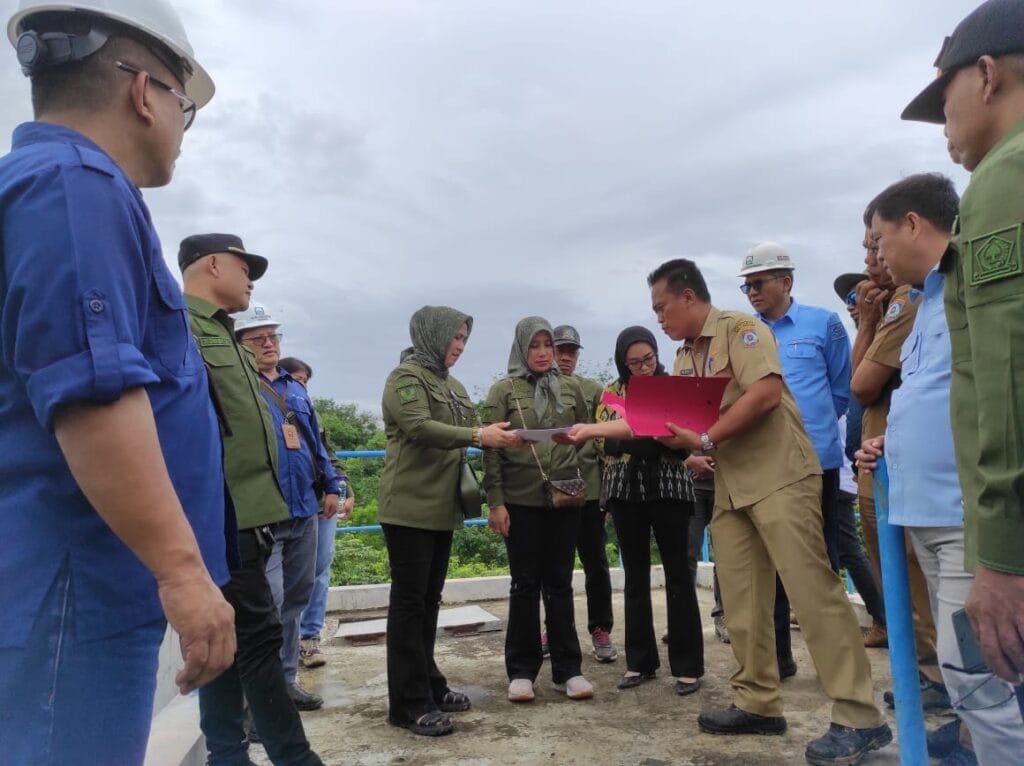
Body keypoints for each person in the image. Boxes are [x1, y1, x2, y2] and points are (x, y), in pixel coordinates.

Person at [0, 3, 234, 762]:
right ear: (143, 92)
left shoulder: (39, 184)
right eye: (183, 106)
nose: (181, 128)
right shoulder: (77, 188)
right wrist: (184, 573)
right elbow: (92, 396)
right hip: (73, 589)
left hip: (60, 584)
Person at [644, 258, 889, 766]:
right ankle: (757, 701)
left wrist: (705, 440)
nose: (659, 319)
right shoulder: (685, 357)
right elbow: (675, 423)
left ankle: (859, 715)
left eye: (662, 308)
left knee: (813, 591)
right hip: (731, 485)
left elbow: (765, 394)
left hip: (780, 476)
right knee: (742, 600)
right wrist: (599, 430)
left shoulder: (742, 330)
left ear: (688, 296)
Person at [856, 172, 1024, 765]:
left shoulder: (976, 288)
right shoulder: (926, 302)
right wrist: (890, 445)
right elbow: (934, 397)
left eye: (879, 239)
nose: (876, 255)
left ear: (912, 224)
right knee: (973, 677)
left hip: (964, 518)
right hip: (923, 512)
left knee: (980, 680)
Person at [902, 0, 1024, 700]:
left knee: (994, 700)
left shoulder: (1005, 176)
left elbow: (1007, 375)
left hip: (1006, 538)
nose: (943, 124)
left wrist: (1002, 557)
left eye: (943, 98)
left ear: (985, 75)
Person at [181, 235, 323, 765]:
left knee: (230, 640)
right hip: (220, 514)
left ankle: (226, 755)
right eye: (245, 269)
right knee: (259, 638)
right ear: (214, 265)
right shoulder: (179, 326)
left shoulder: (224, 336)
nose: (251, 282)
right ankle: (294, 758)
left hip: (251, 514)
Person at [379, 306, 522, 735]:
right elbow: (419, 427)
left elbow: (473, 431)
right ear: (433, 335)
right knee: (409, 605)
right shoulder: (405, 378)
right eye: (454, 338)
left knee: (428, 602)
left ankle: (428, 684)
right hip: (408, 508)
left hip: (442, 508)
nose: (459, 347)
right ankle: (407, 704)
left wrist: (499, 434)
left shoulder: (452, 385)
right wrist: (479, 435)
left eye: (464, 340)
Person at [738, 242, 852, 679]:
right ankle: (781, 659)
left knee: (820, 564)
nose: (752, 292)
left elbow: (840, 390)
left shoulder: (824, 324)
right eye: (747, 286)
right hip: (766, 467)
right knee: (771, 564)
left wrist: (809, 433)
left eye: (759, 283)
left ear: (786, 282)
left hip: (816, 463)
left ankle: (835, 667)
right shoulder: (745, 333)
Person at [571, 326, 704, 695]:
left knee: (679, 575)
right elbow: (607, 443)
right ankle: (640, 662)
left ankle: (688, 666)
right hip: (624, 492)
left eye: (648, 359)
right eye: (634, 362)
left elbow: (682, 441)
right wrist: (646, 434)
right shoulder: (612, 392)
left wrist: (636, 434)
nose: (644, 367)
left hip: (670, 490)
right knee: (634, 577)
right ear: (622, 362)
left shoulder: (672, 386)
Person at [849, 217, 947, 702]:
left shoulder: (909, 301)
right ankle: (923, 673)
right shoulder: (899, 301)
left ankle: (932, 677)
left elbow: (861, 385)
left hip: (901, 463)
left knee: (911, 572)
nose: (873, 260)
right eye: (867, 250)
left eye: (877, 245)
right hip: (881, 456)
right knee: (895, 570)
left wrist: (869, 323)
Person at [236, 306, 343, 712]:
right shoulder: (237, 386)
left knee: (298, 596)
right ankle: (256, 696)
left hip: (304, 510)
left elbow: (315, 441)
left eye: (273, 337)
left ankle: (285, 681)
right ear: (240, 344)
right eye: (258, 338)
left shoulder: (294, 388)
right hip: (264, 513)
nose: (269, 344)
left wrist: (331, 485)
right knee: (269, 602)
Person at [483, 317, 595, 703]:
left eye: (549, 345)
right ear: (521, 348)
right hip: (520, 499)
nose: (544, 352)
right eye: (535, 345)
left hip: (565, 497)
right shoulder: (504, 390)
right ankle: (521, 671)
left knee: (560, 582)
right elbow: (491, 451)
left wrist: (574, 465)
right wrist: (496, 502)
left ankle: (569, 670)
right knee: (525, 584)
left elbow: (586, 434)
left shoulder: (570, 388)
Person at [280, 356, 356, 670]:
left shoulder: (311, 412)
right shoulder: (266, 410)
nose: (301, 386)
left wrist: (344, 490)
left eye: (305, 381)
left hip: (322, 501)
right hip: (288, 506)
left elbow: (329, 455)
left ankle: (309, 640)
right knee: (289, 578)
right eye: (296, 380)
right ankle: (284, 647)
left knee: (319, 571)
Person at [551, 324, 617, 663]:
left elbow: (613, 434)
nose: (566, 357)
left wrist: (607, 494)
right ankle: (553, 628)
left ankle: (600, 628)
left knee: (596, 563)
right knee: (555, 567)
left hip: (589, 490)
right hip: (551, 490)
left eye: (571, 351)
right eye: (560, 350)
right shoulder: (537, 391)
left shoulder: (595, 390)